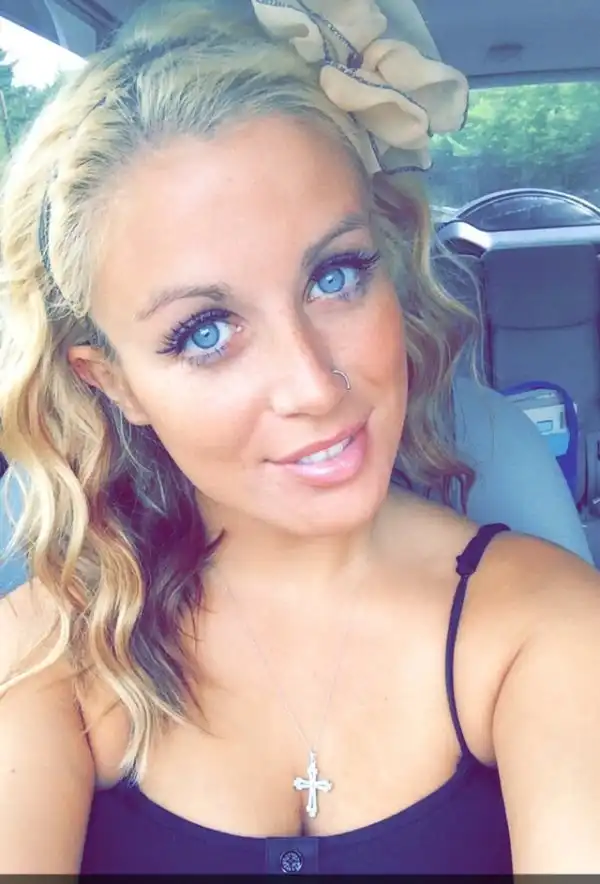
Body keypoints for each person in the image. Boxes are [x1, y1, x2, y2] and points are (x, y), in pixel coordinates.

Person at [1, 0, 600, 875]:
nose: (315, 387)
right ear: (114, 382)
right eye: (206, 331)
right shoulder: (43, 653)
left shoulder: (548, 621)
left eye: (335, 276)